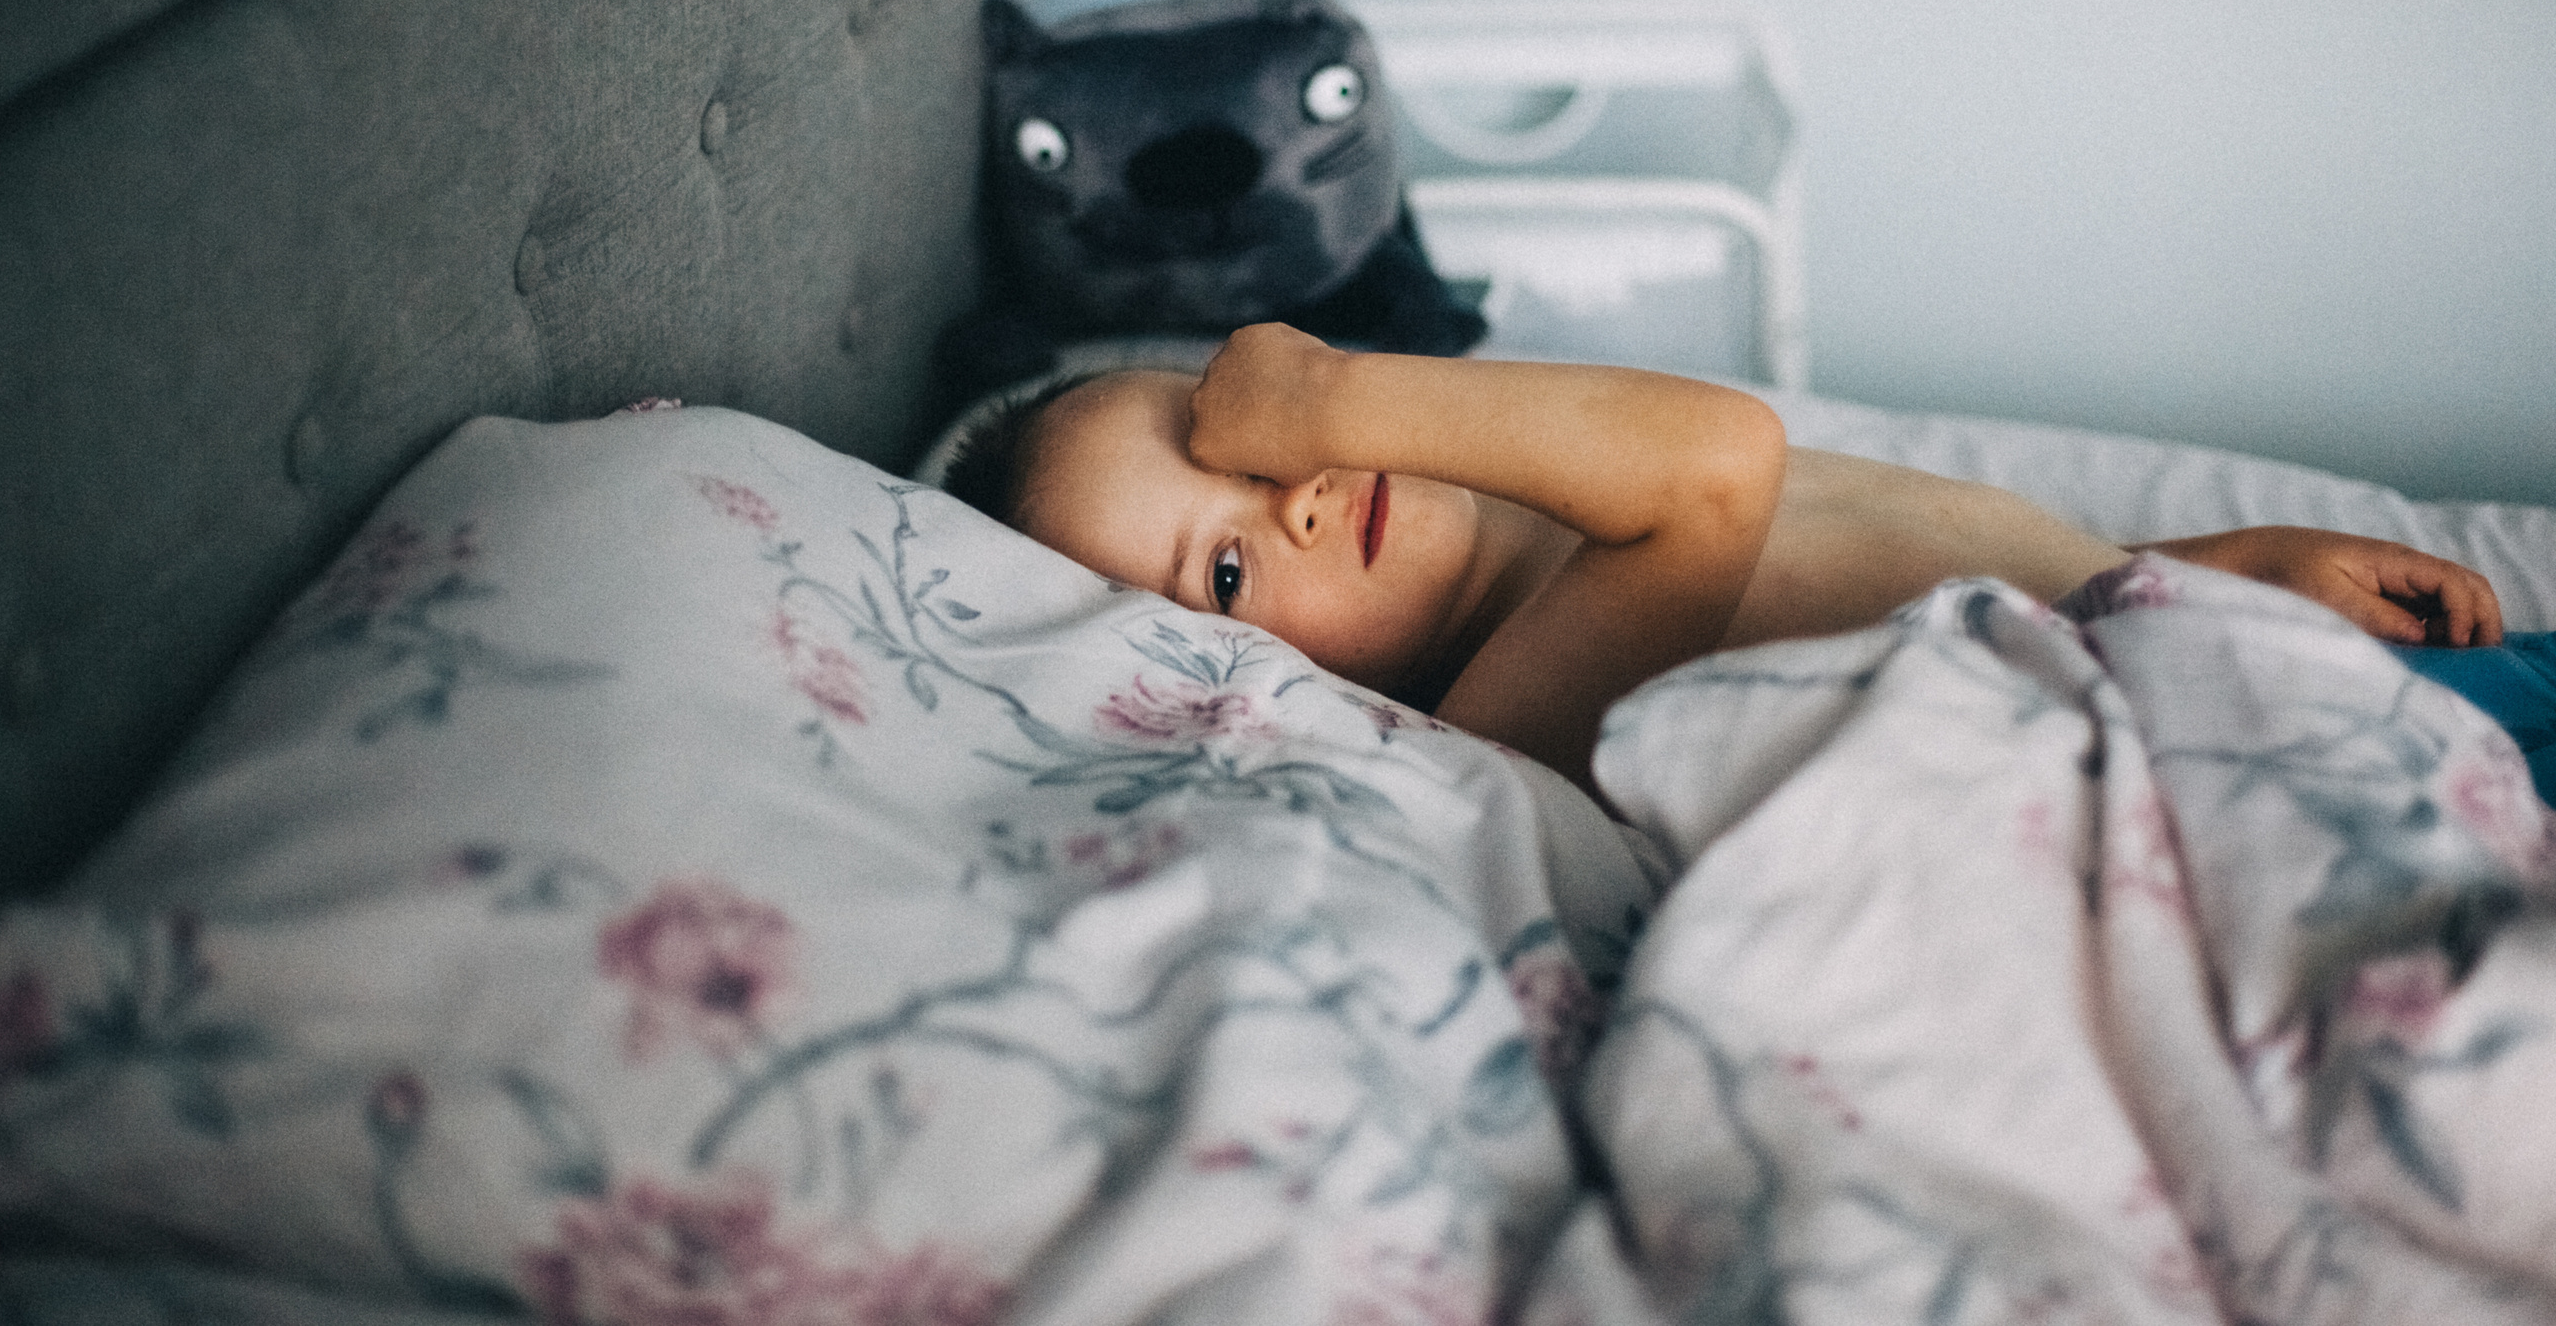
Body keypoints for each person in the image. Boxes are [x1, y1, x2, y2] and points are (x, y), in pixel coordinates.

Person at [943, 323, 2527, 800]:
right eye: (1225, 572)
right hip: (2261, 766)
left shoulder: (1557, 488)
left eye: (1229, 434)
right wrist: (1330, 394)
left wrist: (2230, 564)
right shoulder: (1515, 703)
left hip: (2236, 654)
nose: (1295, 488)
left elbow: (1975, 562)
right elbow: (1721, 464)